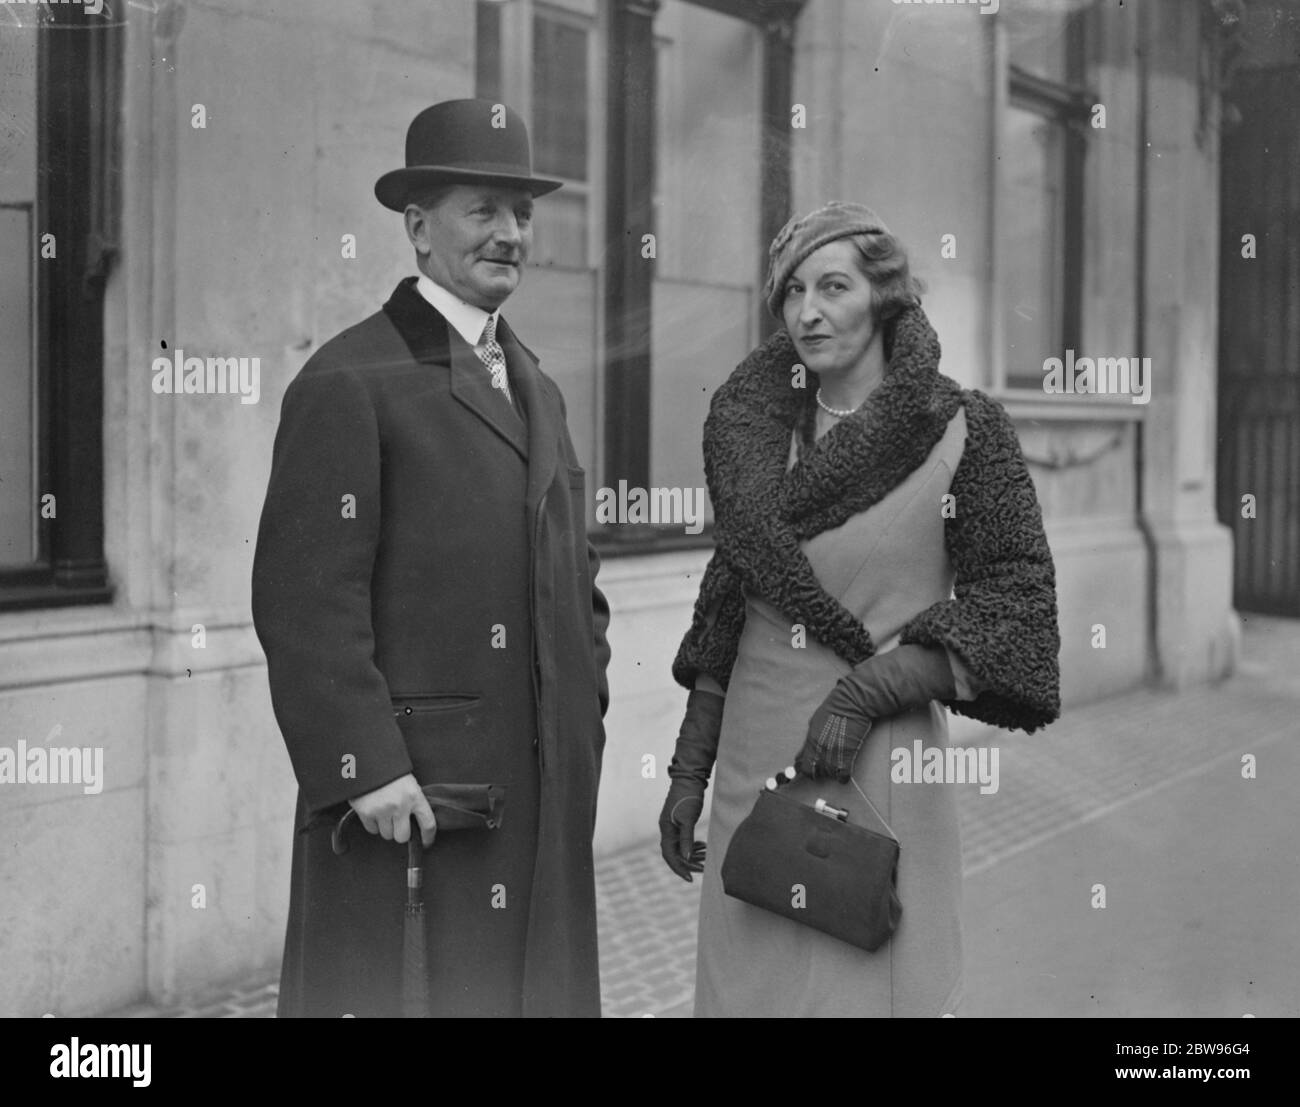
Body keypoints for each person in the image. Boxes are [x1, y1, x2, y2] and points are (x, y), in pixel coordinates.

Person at [252, 99, 611, 1018]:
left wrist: (586, 709)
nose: (511, 234)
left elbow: (579, 581)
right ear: (417, 228)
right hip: (418, 807)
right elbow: (305, 599)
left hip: (538, 804)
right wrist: (364, 765)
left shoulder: (539, 388)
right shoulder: (348, 379)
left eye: (522, 213)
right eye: (482, 210)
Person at [659, 201, 1060, 1017]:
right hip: (752, 767)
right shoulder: (756, 433)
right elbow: (725, 608)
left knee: (865, 990)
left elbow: (1017, 608)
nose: (808, 312)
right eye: (793, 291)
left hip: (875, 760)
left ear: (884, 296)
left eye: (833, 286)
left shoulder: (962, 428)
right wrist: (689, 771)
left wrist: (863, 693)